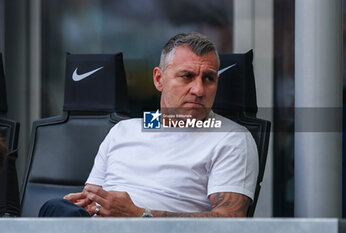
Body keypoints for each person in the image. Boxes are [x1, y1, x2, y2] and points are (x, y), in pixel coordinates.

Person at [39, 32, 258, 218]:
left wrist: (140, 214)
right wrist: (84, 204)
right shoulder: (124, 130)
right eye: (187, 76)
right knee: (55, 209)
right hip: (95, 227)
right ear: (158, 79)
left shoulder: (231, 137)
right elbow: (92, 198)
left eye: (209, 78)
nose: (199, 90)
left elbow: (230, 220)